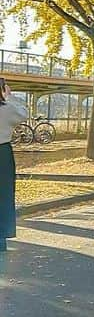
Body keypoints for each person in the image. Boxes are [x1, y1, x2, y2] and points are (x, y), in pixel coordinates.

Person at [0, 77, 28, 254]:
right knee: (3, 194)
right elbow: (23, 114)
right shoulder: (7, 109)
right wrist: (9, 97)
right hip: (2, 153)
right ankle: (1, 237)